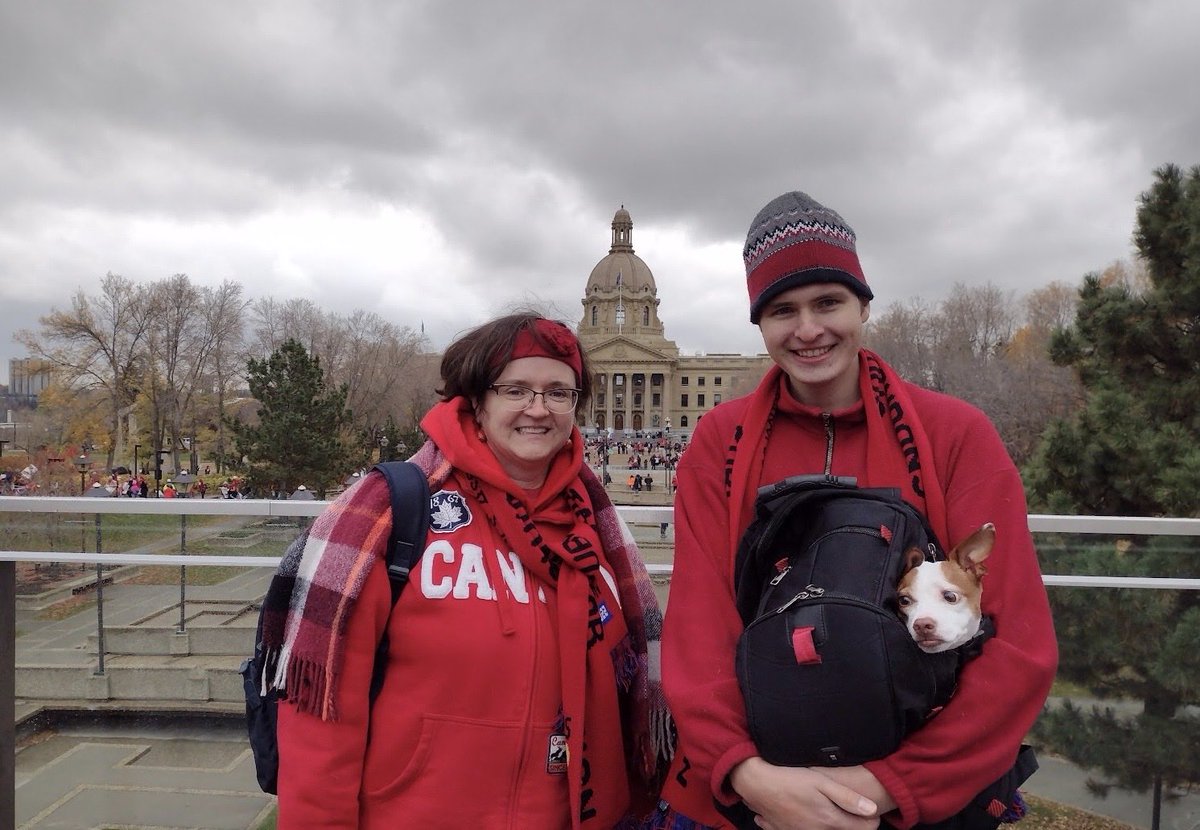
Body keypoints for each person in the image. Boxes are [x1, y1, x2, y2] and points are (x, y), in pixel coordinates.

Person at [655, 192, 1058, 829]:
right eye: (783, 310)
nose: (808, 330)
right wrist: (747, 774)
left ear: (864, 306)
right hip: (755, 795)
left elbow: (1018, 643)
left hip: (917, 793)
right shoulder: (719, 440)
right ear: (759, 324)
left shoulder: (956, 433)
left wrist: (888, 785)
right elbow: (698, 627)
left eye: (828, 302)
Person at [267, 312, 669, 828]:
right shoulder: (389, 511)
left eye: (558, 392)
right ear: (477, 400)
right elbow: (320, 720)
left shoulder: (596, 530)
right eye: (516, 389)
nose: (538, 409)